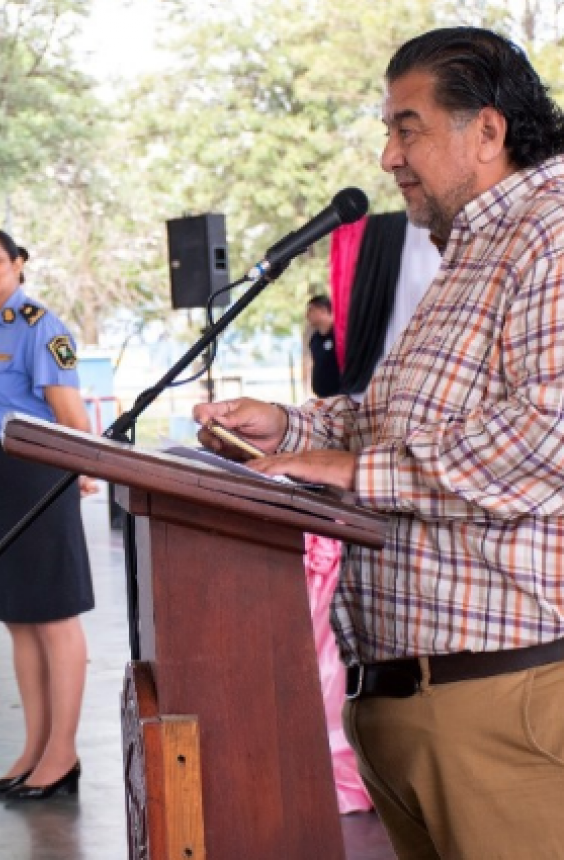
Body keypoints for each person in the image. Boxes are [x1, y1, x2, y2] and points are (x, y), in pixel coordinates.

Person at [194, 27, 564, 860]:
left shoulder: (552, 232)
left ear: (489, 131)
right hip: (412, 706)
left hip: (499, 708)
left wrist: (356, 469)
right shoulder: (466, 253)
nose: (389, 156)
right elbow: (394, 422)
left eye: (407, 127)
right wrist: (289, 427)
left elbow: (549, 435)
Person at [0, 228, 96, 801]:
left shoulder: (40, 327)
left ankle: (63, 754)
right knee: (20, 617)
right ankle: (35, 749)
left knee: (55, 615)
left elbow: (67, 409)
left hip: (36, 473)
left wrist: (85, 465)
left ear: (19, 264)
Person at [305, 295, 341, 397]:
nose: (307, 315)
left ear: (323, 310)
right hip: (321, 397)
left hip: (340, 396)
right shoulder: (314, 339)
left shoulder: (339, 335)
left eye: (311, 310)